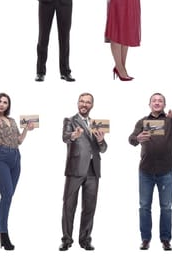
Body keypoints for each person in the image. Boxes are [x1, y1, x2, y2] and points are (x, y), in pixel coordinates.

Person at [128, 93, 172, 251]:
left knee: (166, 207)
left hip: (166, 170)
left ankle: (165, 239)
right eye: (154, 100)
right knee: (144, 206)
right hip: (146, 170)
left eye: (160, 101)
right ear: (149, 104)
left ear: (164, 104)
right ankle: (145, 239)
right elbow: (131, 139)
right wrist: (137, 138)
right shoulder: (142, 122)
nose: (157, 103)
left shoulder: (171, 121)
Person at [59, 93, 108, 251]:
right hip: (75, 168)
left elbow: (104, 148)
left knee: (89, 207)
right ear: (77, 103)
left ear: (91, 105)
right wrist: (74, 135)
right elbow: (65, 137)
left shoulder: (96, 124)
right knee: (69, 206)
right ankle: (67, 239)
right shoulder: (70, 121)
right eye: (82, 101)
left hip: (93, 169)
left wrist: (101, 140)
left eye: (88, 102)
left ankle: (85, 239)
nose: (84, 104)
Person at [0, 93, 36, 250]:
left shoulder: (13, 120)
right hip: (2, 157)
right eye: (0, 102)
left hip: (16, 158)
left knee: (8, 196)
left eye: (5, 102)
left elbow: (19, 141)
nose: (2, 104)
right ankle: (4, 233)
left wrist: (26, 130)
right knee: (6, 194)